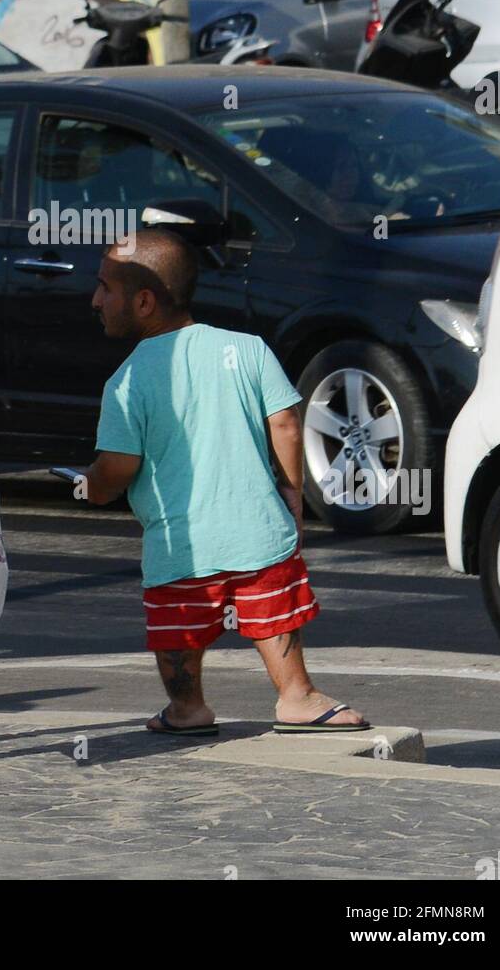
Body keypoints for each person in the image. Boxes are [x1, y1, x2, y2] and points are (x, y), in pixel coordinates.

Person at [80, 229, 368, 737]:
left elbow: (118, 467)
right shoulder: (247, 349)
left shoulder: (127, 381)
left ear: (144, 301)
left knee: (179, 628)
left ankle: (187, 707)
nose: (95, 299)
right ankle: (297, 696)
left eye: (105, 287)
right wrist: (292, 491)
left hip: (180, 544)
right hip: (257, 528)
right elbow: (285, 422)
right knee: (275, 613)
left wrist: (92, 485)